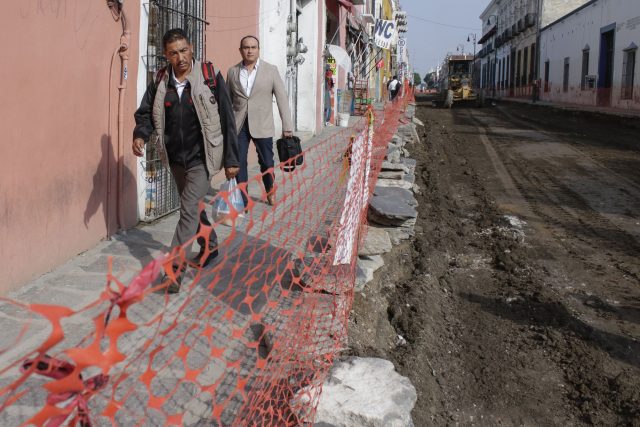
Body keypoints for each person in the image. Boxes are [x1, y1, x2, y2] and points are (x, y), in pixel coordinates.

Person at [132, 28, 239, 292]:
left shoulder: (209, 75)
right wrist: (140, 135)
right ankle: (210, 242)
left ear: (191, 48)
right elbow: (145, 112)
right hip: (175, 158)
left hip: (203, 157)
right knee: (193, 206)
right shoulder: (161, 81)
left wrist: (231, 159)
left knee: (188, 209)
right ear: (166, 55)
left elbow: (227, 117)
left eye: (183, 50)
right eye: (173, 53)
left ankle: (173, 271)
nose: (179, 57)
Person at [226, 35, 293, 207]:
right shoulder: (232, 72)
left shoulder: (270, 70)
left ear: (258, 49)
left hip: (262, 123)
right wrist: (226, 126)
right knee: (239, 162)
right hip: (239, 124)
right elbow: (227, 101)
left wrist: (287, 126)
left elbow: (282, 98)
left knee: (267, 161)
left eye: (253, 47)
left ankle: (270, 190)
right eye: (246, 47)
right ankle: (243, 199)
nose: (249, 50)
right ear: (240, 50)